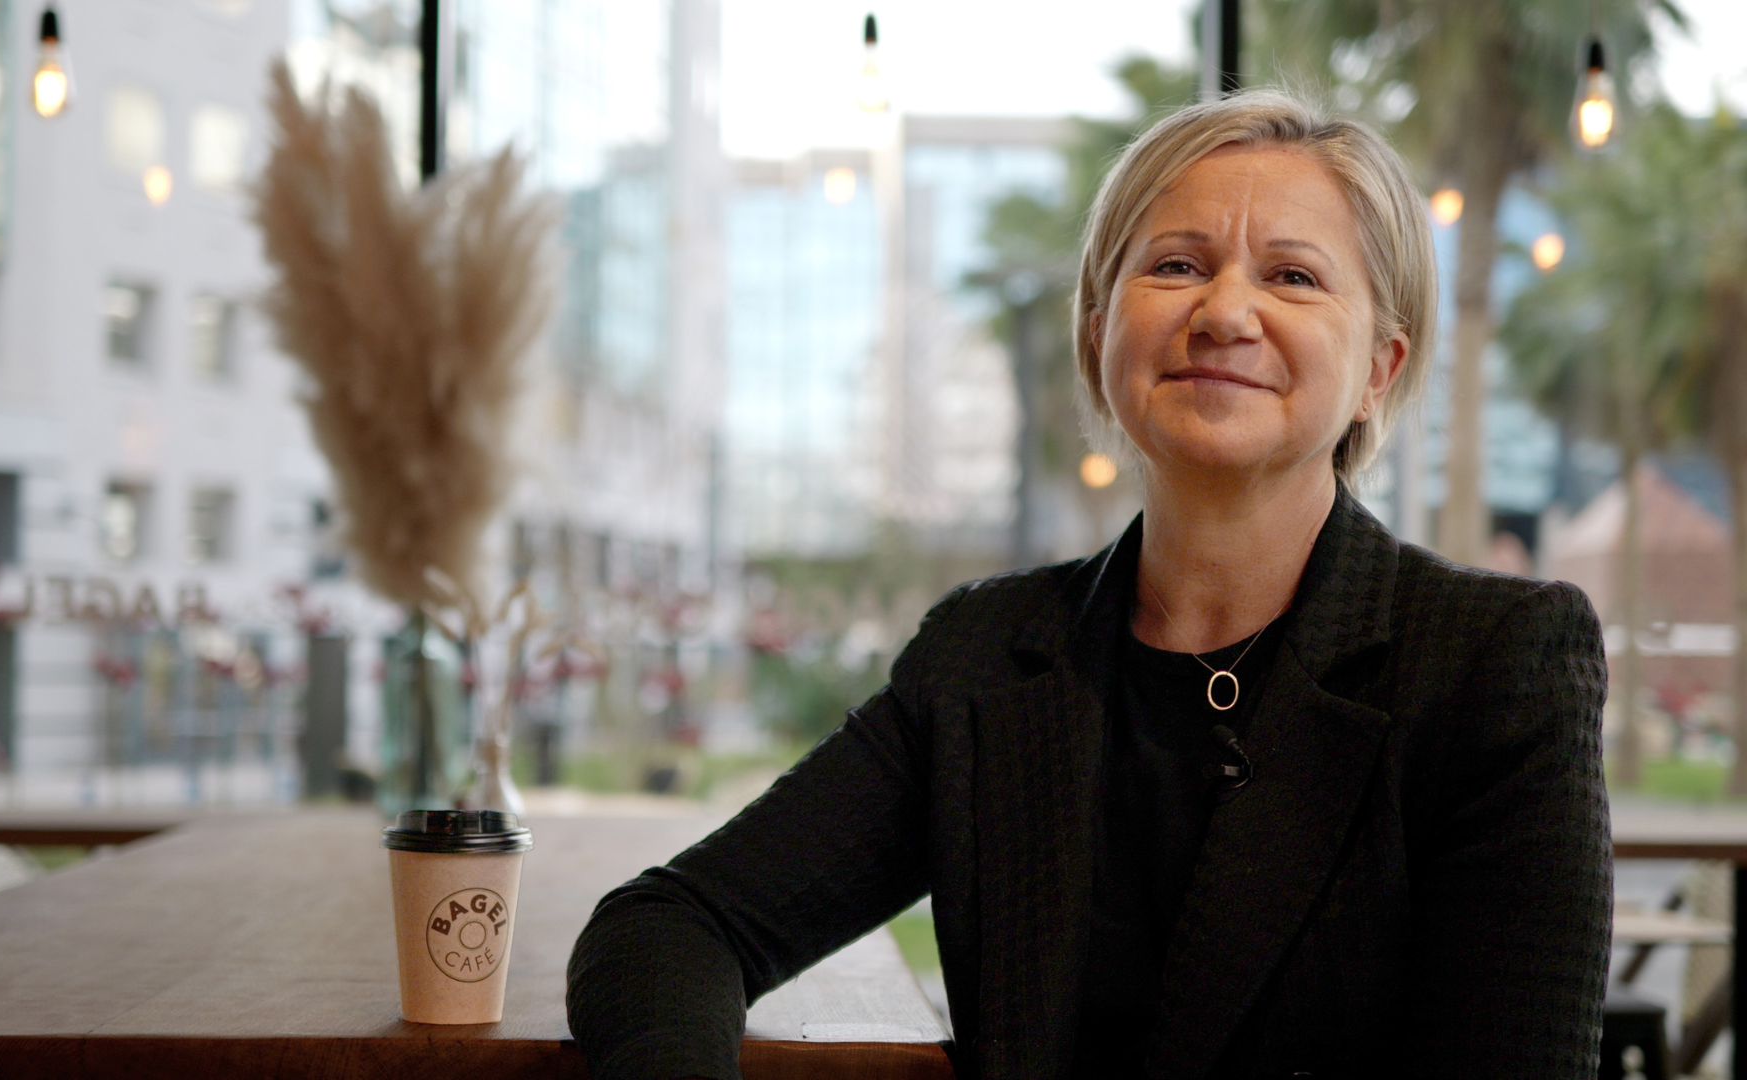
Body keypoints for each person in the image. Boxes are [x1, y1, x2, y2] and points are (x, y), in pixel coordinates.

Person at [567, 89, 1611, 1080]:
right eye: (1176, 264)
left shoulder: (1493, 665)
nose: (1224, 312)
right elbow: (672, 925)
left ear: (1380, 369)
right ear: (1099, 326)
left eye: (1293, 277)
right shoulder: (985, 658)